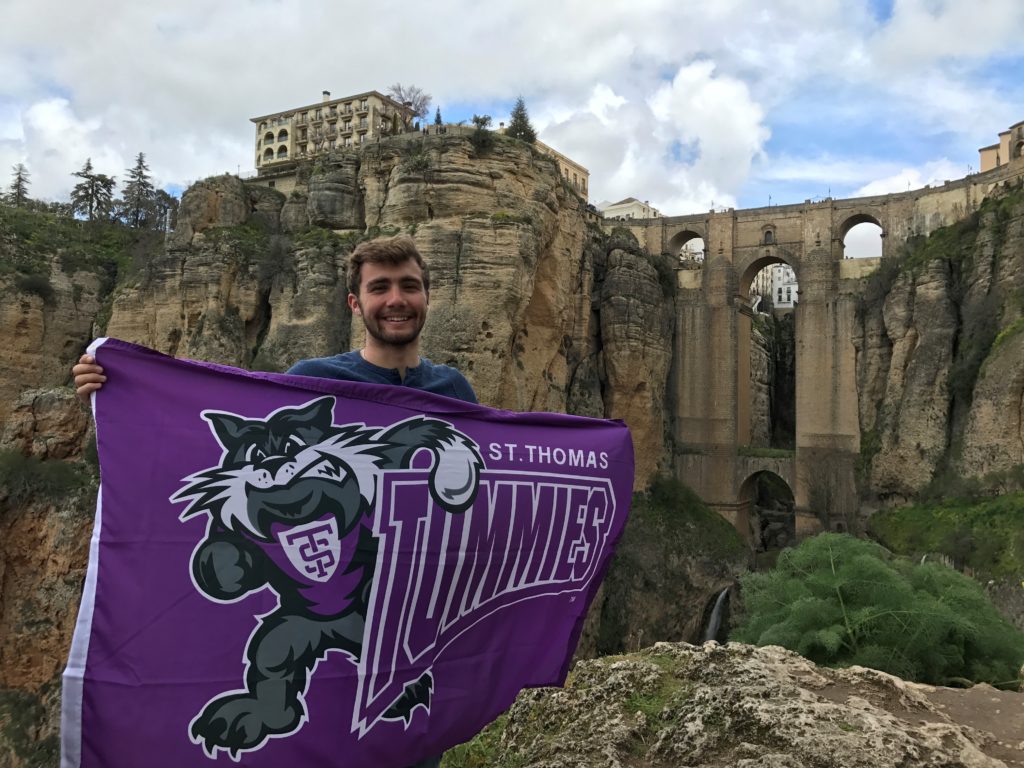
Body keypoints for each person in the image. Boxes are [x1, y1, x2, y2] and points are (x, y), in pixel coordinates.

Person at [73, 234, 475, 768]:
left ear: (428, 296)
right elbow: (203, 440)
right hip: (303, 609)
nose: (396, 299)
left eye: (409, 286)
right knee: (282, 661)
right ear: (355, 303)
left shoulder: (453, 391)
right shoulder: (311, 382)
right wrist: (115, 391)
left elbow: (480, 490)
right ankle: (269, 708)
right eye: (379, 288)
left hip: (400, 617)